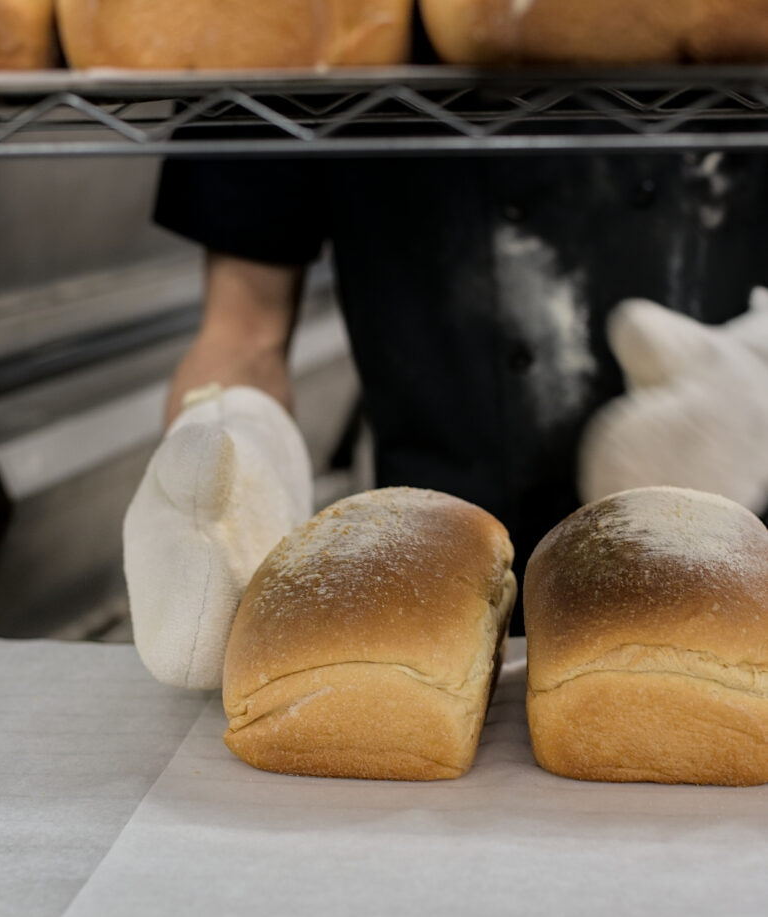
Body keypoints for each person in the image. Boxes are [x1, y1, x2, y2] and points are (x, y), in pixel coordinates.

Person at [155, 149, 768, 634]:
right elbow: (243, 331)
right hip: (425, 574)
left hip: (734, 573)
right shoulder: (310, 8)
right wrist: (223, 454)